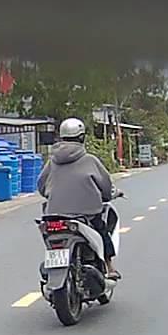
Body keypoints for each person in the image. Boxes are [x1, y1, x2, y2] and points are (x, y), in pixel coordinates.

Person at [37, 117, 121, 279]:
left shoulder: (52, 162)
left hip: (53, 216)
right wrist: (109, 195)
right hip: (86, 215)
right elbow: (106, 187)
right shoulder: (90, 160)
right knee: (102, 231)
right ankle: (109, 267)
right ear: (82, 137)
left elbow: (41, 186)